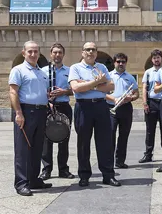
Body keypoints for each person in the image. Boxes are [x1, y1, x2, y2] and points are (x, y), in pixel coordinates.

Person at [68, 42, 120, 187]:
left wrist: (89, 84)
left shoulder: (102, 67)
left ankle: (108, 175)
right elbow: (76, 88)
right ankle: (84, 175)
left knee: (105, 142)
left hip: (101, 105)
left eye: (93, 49)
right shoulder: (75, 68)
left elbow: (111, 86)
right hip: (83, 107)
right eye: (87, 49)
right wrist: (97, 83)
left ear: (96, 52)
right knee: (83, 142)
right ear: (82, 52)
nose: (90, 52)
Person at [8, 41, 53, 196]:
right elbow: (13, 92)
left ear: (39, 53)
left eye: (36, 51)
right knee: (22, 149)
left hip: (41, 112)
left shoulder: (42, 73)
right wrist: (18, 113)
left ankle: (34, 180)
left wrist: (48, 102)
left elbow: (42, 92)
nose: (33, 54)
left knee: (37, 148)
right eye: (30, 52)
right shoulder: (18, 70)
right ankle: (21, 183)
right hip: (26, 112)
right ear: (24, 53)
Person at [39, 43, 75, 180]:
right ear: (50, 54)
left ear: (63, 54)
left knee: (64, 138)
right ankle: (46, 170)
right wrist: (47, 99)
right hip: (47, 106)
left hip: (64, 106)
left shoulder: (70, 71)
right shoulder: (42, 71)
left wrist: (64, 91)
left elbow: (75, 90)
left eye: (60, 52)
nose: (57, 55)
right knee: (46, 140)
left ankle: (63, 169)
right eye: (55, 52)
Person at [107, 53, 139, 169]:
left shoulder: (130, 77)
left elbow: (136, 93)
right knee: (110, 135)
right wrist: (114, 99)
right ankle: (109, 161)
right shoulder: (108, 76)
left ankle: (120, 161)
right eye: (118, 61)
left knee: (124, 136)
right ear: (114, 62)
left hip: (126, 108)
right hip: (111, 108)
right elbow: (103, 93)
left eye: (123, 62)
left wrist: (130, 98)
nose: (121, 64)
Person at [139, 49, 162, 163]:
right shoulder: (148, 72)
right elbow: (144, 88)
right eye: (154, 58)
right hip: (152, 102)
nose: (156, 59)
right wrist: (145, 103)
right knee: (150, 130)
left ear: (161, 58)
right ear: (152, 59)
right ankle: (148, 154)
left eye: (158, 57)